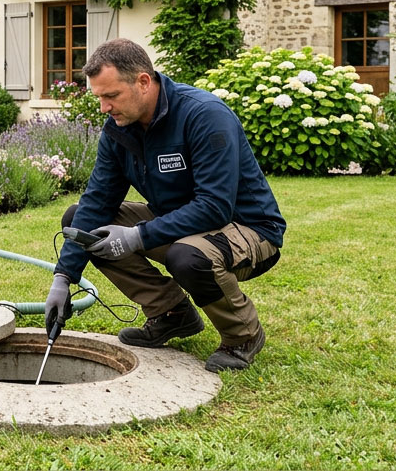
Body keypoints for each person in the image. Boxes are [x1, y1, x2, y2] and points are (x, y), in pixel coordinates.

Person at [44, 38, 286, 372]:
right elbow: (98, 200)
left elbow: (215, 206)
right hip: (181, 222)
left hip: (248, 228)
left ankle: (243, 336)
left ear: (143, 81)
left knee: (188, 256)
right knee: (84, 225)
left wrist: (135, 237)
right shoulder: (119, 129)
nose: (104, 107)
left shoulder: (204, 115)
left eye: (111, 96)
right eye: (99, 97)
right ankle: (172, 313)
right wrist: (64, 276)